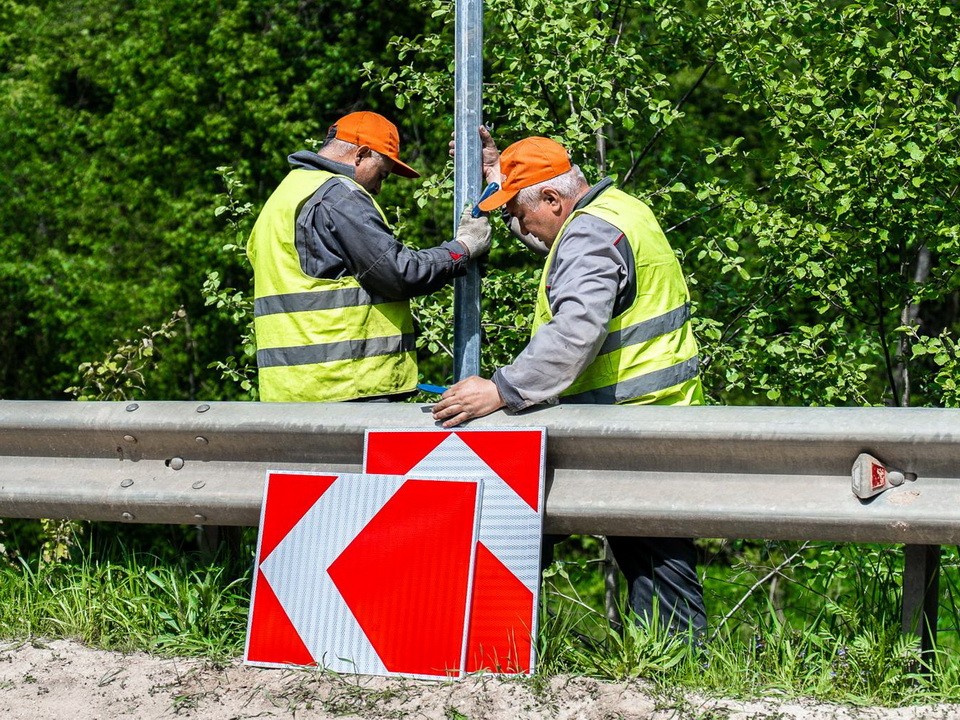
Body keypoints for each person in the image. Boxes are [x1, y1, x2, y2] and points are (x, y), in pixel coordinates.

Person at [432, 131, 707, 635]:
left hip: (631, 423)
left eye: (517, 212)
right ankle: (671, 670)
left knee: (652, 565)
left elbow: (577, 329)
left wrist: (502, 389)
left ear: (554, 200)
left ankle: (484, 644)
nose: (518, 227)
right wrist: (497, 170)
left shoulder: (586, 235)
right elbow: (541, 207)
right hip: (654, 413)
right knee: (654, 563)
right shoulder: (620, 209)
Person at [247, 111, 491, 402]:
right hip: (349, 385)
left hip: (290, 392)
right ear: (361, 154)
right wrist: (463, 248)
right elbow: (399, 273)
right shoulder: (338, 195)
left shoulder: (283, 196)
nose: (378, 188)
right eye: (381, 174)